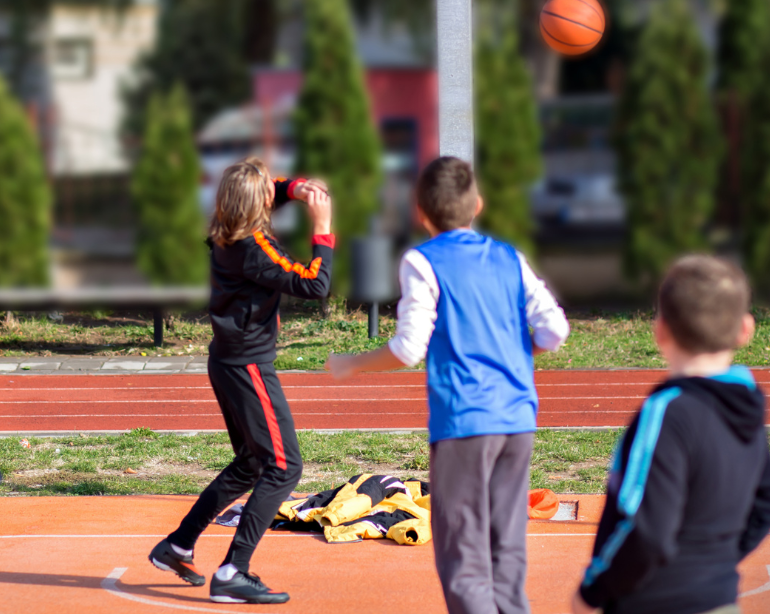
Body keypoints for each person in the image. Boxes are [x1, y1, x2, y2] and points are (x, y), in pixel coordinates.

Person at [326, 155, 569, 614]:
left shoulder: (422, 260)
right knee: (506, 547)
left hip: (463, 421)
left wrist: (353, 363)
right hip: (517, 418)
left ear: (420, 211)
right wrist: (514, 354)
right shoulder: (509, 258)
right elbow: (555, 330)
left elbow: (408, 348)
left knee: (463, 555)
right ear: (478, 203)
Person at [149, 158, 334, 604]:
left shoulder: (225, 228)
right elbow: (315, 284)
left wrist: (300, 187)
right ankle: (234, 570)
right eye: (271, 190)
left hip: (229, 361)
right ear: (257, 204)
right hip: (248, 367)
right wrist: (323, 225)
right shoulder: (254, 248)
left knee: (252, 464)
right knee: (284, 466)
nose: (276, 191)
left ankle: (177, 545)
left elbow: (267, 184)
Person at [573, 254, 770, 614]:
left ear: (660, 329)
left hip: (651, 602)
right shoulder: (749, 408)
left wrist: (592, 592)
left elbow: (646, 530)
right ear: (746, 329)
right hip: (720, 599)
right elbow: (763, 506)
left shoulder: (667, 412)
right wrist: (712, 564)